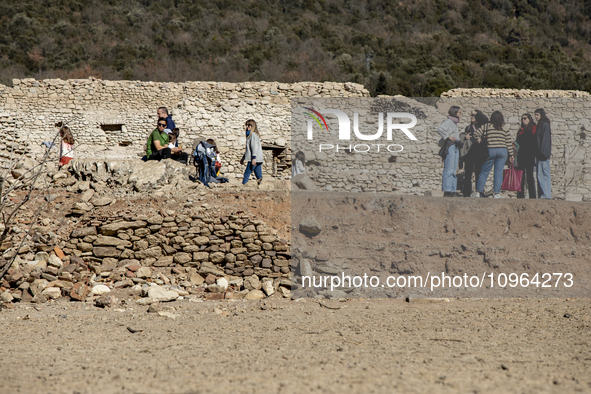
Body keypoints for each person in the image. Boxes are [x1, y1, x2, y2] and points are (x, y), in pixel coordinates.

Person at [473, 111, 515, 198]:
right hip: (502, 151)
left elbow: (476, 133)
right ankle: (496, 193)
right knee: (498, 173)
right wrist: (511, 154)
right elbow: (508, 142)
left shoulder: (487, 126)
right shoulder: (505, 128)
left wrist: (480, 139)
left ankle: (478, 192)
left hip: (490, 150)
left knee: (484, 172)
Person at [459, 110, 488, 197]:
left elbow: (486, 119)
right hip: (469, 153)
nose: (472, 117)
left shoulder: (482, 126)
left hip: (479, 152)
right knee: (468, 173)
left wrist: (477, 113)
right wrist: (465, 137)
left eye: (474, 116)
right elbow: (463, 137)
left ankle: (479, 191)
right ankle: (467, 192)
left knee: (478, 172)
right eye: (471, 115)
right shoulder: (468, 127)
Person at [437, 106, 462, 197]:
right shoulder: (449, 121)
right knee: (449, 168)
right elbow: (440, 129)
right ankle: (447, 190)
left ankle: (452, 189)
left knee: (454, 169)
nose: (460, 114)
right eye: (459, 112)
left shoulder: (455, 122)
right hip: (450, 145)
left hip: (455, 146)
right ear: (454, 113)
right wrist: (448, 136)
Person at [515, 113, 537, 199]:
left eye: (525, 118)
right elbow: (518, 142)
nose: (523, 120)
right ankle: (520, 196)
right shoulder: (521, 130)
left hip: (530, 155)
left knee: (530, 176)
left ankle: (532, 196)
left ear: (529, 119)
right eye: (522, 119)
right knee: (520, 176)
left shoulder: (534, 129)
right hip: (521, 155)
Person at [534, 108, 552, 199]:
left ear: (541, 115)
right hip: (539, 155)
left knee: (545, 175)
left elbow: (545, 140)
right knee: (539, 175)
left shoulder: (545, 125)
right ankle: (543, 194)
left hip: (543, 155)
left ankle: (547, 195)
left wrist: (544, 153)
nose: (536, 117)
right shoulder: (540, 125)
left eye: (537, 115)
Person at [240, 119, 264, 185]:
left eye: (249, 125)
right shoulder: (252, 135)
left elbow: (254, 147)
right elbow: (249, 149)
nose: (247, 127)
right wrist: (243, 158)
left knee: (247, 173)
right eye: (247, 125)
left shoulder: (253, 135)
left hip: (254, 158)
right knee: (258, 175)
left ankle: (244, 186)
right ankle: (262, 186)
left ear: (252, 126)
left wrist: (254, 158)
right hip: (258, 159)